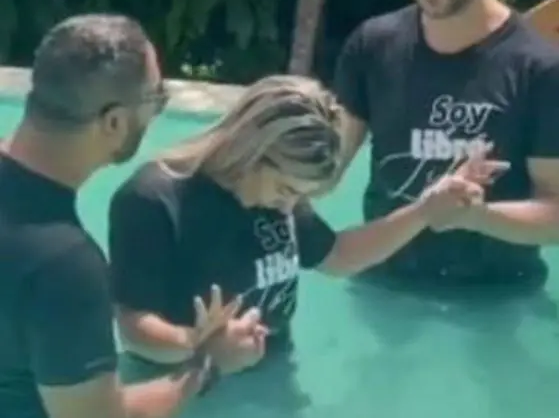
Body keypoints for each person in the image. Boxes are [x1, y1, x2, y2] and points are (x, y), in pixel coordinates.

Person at [108, 74, 504, 376]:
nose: (289, 205)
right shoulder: (154, 199)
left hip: (271, 376)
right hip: (180, 388)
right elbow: (132, 326)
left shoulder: (273, 195)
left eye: (298, 195)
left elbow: (338, 255)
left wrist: (424, 211)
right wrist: (201, 347)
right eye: (285, 190)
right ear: (251, 150)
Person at [0, 14, 239, 418]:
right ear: (112, 122)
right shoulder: (63, 265)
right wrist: (207, 366)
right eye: (156, 99)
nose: (157, 112)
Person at [332, 0, 559, 299]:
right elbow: (324, 170)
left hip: (494, 297)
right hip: (382, 287)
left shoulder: (539, 68)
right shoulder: (372, 46)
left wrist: (474, 217)